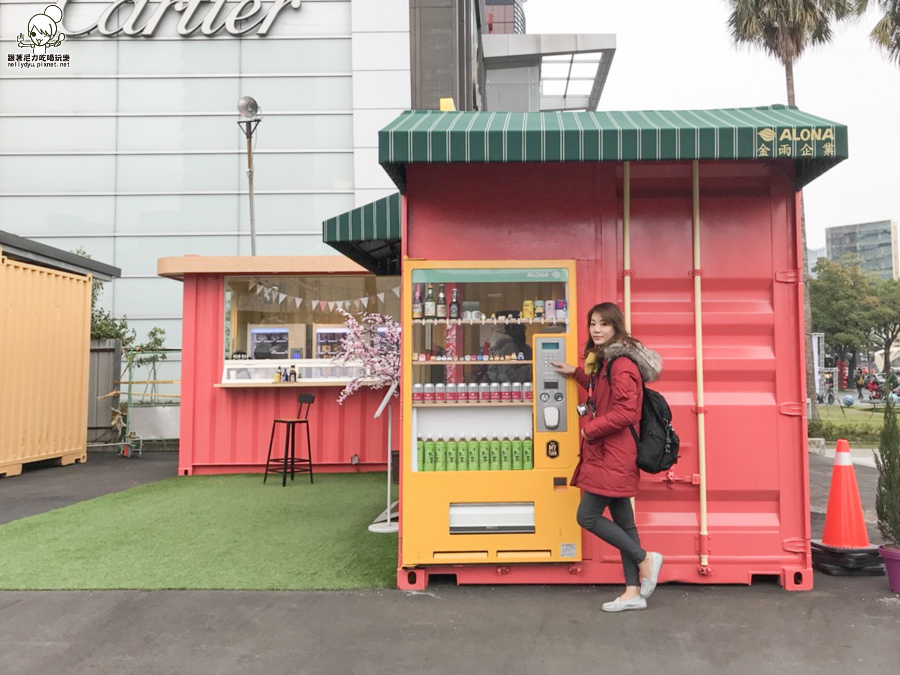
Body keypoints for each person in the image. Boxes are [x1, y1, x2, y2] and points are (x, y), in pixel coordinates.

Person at [552, 302, 664, 612]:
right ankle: (633, 593)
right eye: (593, 324)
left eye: (603, 324)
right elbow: (602, 392)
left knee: (586, 516)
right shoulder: (606, 363)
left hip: (613, 453)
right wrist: (575, 372)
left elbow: (628, 411)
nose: (597, 330)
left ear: (616, 327)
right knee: (625, 523)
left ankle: (645, 559)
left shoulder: (621, 364)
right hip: (611, 452)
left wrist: (591, 430)